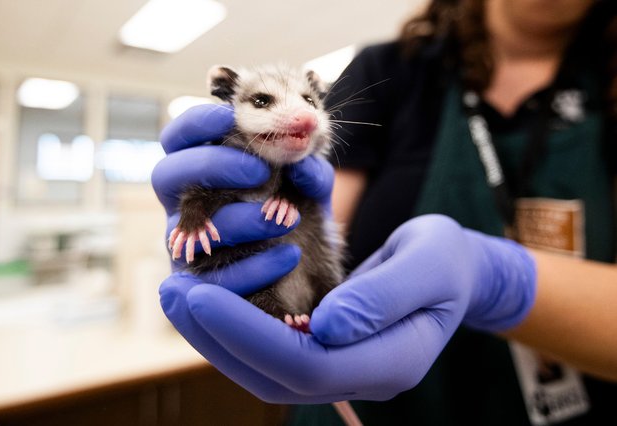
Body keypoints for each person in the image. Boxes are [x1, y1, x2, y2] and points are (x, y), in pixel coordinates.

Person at [152, 0, 617, 424]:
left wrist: (497, 280)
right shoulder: (391, 71)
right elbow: (309, 236)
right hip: (360, 398)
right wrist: (219, 219)